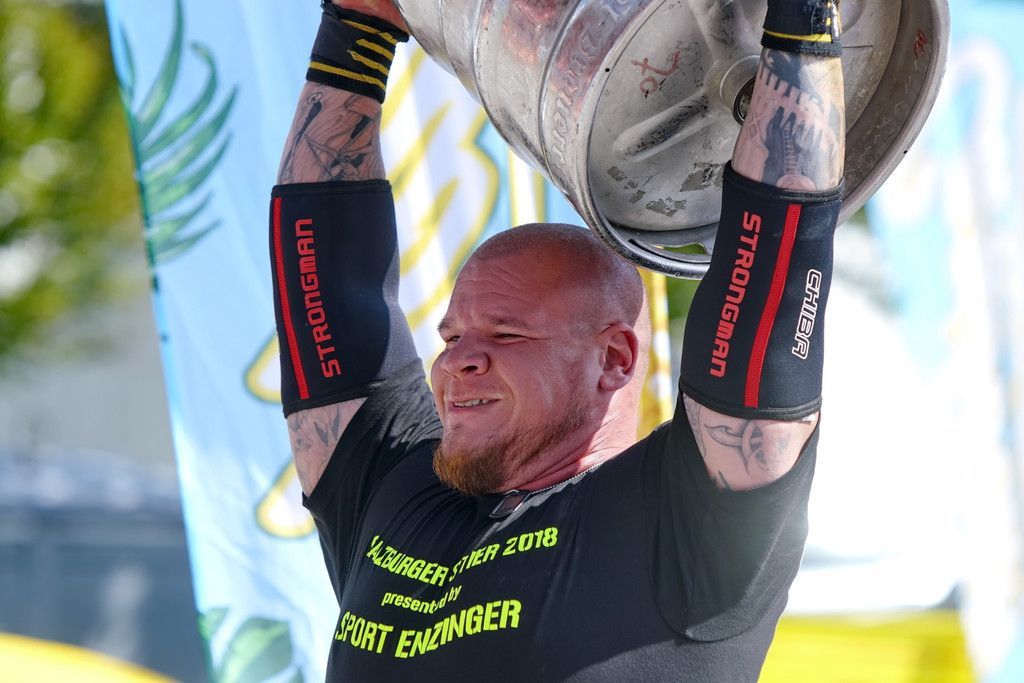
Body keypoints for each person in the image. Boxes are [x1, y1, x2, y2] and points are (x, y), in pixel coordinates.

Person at [269, 0, 845, 679]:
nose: (457, 361)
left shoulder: (685, 530)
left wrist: (805, 24)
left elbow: (770, 283)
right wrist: (355, 32)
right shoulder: (395, 491)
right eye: (451, 336)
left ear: (614, 358)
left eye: (506, 333)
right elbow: (324, 283)